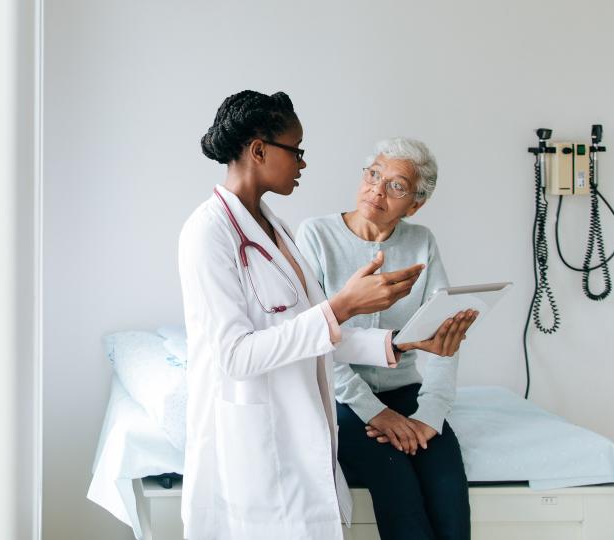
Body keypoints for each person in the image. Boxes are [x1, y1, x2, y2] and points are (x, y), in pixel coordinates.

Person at [178, 92, 473, 540]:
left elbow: (315, 332)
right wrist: (344, 305)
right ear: (259, 150)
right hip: (255, 436)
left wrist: (402, 343)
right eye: (296, 151)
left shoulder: (275, 228)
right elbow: (235, 356)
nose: (302, 164)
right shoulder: (208, 232)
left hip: (302, 421)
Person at [296, 137, 475, 540]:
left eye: (396, 185)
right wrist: (374, 412)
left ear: (414, 205)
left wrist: (429, 415)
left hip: (404, 390)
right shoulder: (316, 236)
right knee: (398, 490)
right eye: (374, 174)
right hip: (340, 399)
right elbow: (316, 339)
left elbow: (445, 334)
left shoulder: (421, 241)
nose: (377, 189)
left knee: (448, 491)